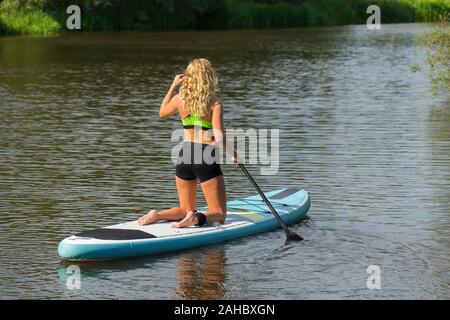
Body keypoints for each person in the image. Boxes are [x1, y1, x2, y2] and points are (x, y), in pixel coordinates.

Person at [139, 58, 240, 228]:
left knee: (185, 208)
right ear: (208, 77)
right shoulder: (214, 103)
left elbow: (162, 112)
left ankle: (157, 215)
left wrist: (173, 86)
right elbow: (219, 136)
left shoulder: (180, 99)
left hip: (184, 154)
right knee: (219, 213)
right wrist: (235, 155)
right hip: (205, 156)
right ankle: (194, 219)